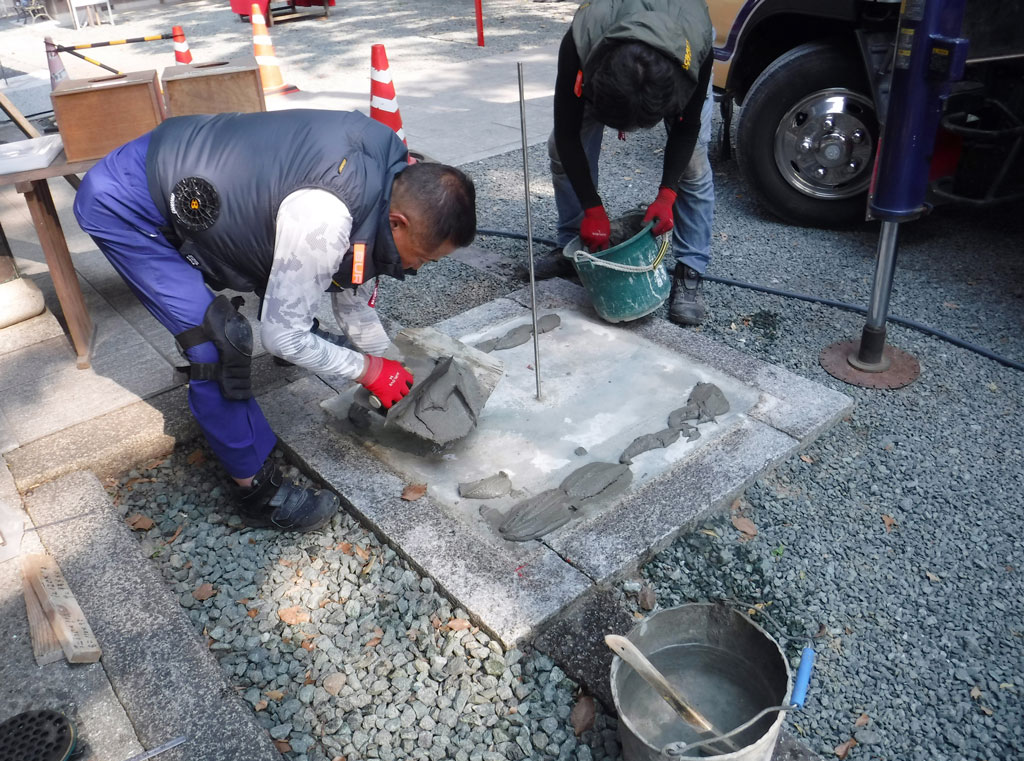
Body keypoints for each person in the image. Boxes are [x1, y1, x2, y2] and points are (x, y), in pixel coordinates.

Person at [74, 109, 476, 533]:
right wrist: (368, 371)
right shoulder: (326, 217)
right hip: (126, 201)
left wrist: (389, 362)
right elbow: (282, 337)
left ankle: (290, 343)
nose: (417, 268)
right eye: (424, 258)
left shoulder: (387, 182)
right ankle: (257, 493)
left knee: (291, 293)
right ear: (398, 222)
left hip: (197, 175)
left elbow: (353, 295)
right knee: (217, 344)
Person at [533, 0, 715, 326]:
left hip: (680, 51)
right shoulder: (581, 40)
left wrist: (667, 194)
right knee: (559, 150)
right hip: (602, 59)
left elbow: (686, 129)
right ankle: (573, 246)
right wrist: (592, 208)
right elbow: (568, 133)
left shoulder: (694, 49)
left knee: (693, 164)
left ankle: (691, 267)